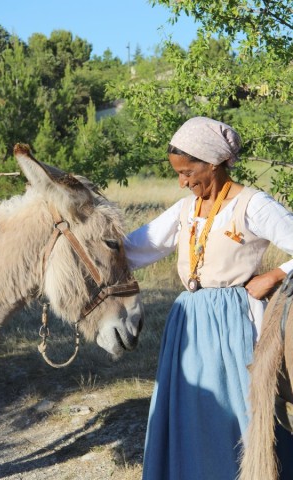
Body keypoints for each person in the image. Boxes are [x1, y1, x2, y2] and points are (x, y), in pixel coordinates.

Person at [124, 116, 293, 480]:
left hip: (235, 320)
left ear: (213, 163)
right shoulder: (187, 209)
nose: (184, 182)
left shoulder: (252, 204)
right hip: (188, 321)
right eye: (178, 175)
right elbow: (137, 247)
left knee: (240, 409)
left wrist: (275, 275)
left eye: (188, 172)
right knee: (190, 410)